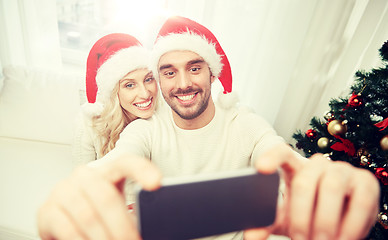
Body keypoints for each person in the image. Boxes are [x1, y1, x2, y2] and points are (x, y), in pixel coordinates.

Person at [37, 17, 380, 240]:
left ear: (213, 74)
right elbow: (117, 161)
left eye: (195, 68)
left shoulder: (243, 120)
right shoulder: (146, 129)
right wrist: (77, 191)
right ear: (160, 79)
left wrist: (322, 180)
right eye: (169, 72)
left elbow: (277, 152)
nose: (183, 83)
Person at [72, 33, 159, 165]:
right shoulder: (90, 124)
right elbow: (82, 178)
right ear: (113, 93)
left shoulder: (167, 113)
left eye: (148, 79)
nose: (145, 94)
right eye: (129, 85)